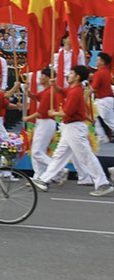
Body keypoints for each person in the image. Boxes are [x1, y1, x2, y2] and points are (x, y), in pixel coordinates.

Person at [32, 65, 114, 197]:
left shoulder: (76, 92)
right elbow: (64, 92)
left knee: (86, 156)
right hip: (69, 127)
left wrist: (54, 112)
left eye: (71, 73)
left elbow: (67, 112)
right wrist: (56, 86)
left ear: (77, 77)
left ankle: (102, 183)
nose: (68, 75)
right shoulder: (74, 89)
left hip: (74, 127)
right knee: (59, 155)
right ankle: (44, 180)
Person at [24, 67, 63, 177]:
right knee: (38, 151)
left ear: (47, 78)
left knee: (37, 152)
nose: (40, 78)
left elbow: (41, 111)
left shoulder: (49, 93)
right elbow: (34, 96)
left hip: (45, 122)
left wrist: (28, 118)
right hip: (44, 123)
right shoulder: (46, 92)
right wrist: (27, 90)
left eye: (42, 76)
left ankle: (58, 170)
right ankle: (39, 176)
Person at [91, 53, 114, 144]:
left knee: (110, 120)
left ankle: (102, 136)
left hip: (103, 100)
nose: (96, 61)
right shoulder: (106, 72)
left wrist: (85, 97)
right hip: (102, 99)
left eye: (98, 60)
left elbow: (94, 88)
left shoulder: (99, 73)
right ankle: (102, 136)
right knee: (93, 115)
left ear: (103, 62)